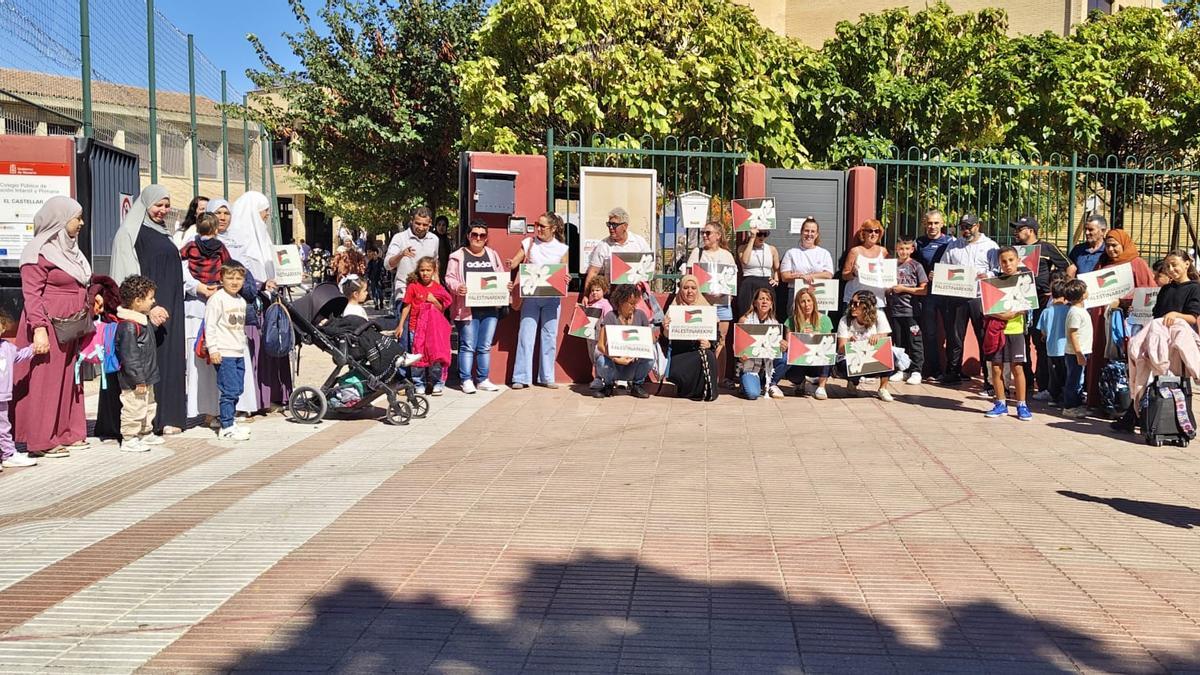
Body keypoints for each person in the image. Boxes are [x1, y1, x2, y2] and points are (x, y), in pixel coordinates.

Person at [13, 196, 93, 458]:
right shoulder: (38, 252)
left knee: (70, 378)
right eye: (76, 218)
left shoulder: (71, 251)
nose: (81, 223)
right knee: (46, 381)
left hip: (72, 326)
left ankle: (68, 432)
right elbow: (32, 294)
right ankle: (41, 440)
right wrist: (38, 328)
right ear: (60, 219)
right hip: (48, 324)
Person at [110, 184, 184, 434]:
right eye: (158, 205)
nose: (162, 210)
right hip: (147, 311)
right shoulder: (130, 233)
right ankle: (143, 425)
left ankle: (167, 417)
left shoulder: (162, 232)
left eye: (166, 205)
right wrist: (145, 308)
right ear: (145, 204)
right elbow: (128, 277)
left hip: (170, 307)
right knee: (146, 363)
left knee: (168, 357)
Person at [1112, 249, 1200, 433]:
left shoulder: (1194, 288)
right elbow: (1156, 316)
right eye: (1168, 266)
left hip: (1178, 343)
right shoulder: (1166, 289)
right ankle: (1139, 416)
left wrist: (1176, 315)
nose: (1171, 269)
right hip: (1159, 340)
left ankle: (1183, 422)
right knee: (1149, 378)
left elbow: (1193, 317)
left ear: (1187, 263)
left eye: (1174, 264)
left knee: (1178, 383)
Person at [225, 191, 292, 413]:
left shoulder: (262, 239)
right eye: (264, 214)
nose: (266, 218)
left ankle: (274, 395)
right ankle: (257, 400)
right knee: (256, 352)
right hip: (252, 306)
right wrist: (262, 284)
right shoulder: (237, 242)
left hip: (270, 305)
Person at [1083, 229, 1155, 409]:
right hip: (1102, 319)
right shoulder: (1102, 263)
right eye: (1107, 246)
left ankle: (1131, 404)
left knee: (1130, 359)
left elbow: (1149, 292)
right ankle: (1102, 400)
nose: (1111, 250)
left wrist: (1123, 302)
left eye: (1114, 245)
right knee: (1100, 355)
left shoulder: (1137, 263)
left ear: (1124, 244)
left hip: (1130, 322)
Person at [1010, 216, 1073, 400]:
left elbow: (1070, 267)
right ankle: (1026, 382)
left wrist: (1062, 292)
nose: (1016, 232)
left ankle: (1044, 385)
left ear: (1030, 230)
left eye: (1020, 229)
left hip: (1042, 302)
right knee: (1021, 341)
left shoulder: (1047, 248)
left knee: (1041, 343)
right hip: (1019, 301)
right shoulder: (1015, 250)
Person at [446, 221, 510, 393]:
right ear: (468, 236)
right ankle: (466, 379)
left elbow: (500, 275)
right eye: (475, 234)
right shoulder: (457, 256)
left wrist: (506, 286)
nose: (478, 238)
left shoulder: (492, 254)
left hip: (490, 308)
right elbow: (449, 278)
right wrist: (458, 287)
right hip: (467, 309)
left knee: (484, 346)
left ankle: (483, 379)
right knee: (467, 345)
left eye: (482, 235)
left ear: (486, 238)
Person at [509, 212, 569, 389]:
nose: (539, 229)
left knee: (549, 337)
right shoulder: (528, 243)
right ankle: (521, 377)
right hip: (530, 297)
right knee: (525, 336)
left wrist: (566, 279)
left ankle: (547, 376)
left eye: (542, 226)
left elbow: (564, 271)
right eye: (537, 224)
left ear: (553, 228)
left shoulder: (562, 249)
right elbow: (514, 262)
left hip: (552, 298)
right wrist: (509, 264)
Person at [940, 213, 998, 388]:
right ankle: (953, 372)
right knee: (955, 337)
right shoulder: (953, 245)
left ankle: (988, 378)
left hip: (980, 298)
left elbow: (998, 270)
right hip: (957, 296)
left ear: (977, 226)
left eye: (969, 227)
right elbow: (944, 266)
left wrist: (987, 275)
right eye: (963, 227)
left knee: (983, 337)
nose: (966, 230)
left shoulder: (990, 246)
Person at [114, 274, 165, 452]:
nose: (153, 301)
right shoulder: (129, 325)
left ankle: (145, 432)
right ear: (137, 301)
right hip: (135, 379)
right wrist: (138, 379)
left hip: (147, 375)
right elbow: (130, 357)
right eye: (150, 298)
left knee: (148, 405)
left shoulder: (142, 321)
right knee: (133, 407)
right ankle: (129, 438)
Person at [982, 247, 1033, 421]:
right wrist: (1003, 315)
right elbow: (987, 309)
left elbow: (1026, 306)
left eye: (1011, 260)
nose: (1008, 264)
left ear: (1018, 260)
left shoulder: (1025, 280)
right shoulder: (993, 282)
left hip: (1016, 331)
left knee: (1017, 368)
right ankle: (1000, 403)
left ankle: (1022, 405)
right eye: (1004, 261)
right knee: (996, 368)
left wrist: (1014, 314)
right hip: (997, 331)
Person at [683, 221, 737, 374]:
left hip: (722, 305)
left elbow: (732, 282)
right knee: (700, 340)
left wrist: (725, 294)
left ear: (718, 236)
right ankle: (702, 375)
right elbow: (688, 278)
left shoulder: (727, 255)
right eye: (703, 233)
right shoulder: (697, 253)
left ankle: (718, 377)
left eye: (708, 233)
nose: (704, 236)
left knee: (721, 341)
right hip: (701, 305)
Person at [205, 262, 251, 441]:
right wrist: (213, 349)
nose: (234, 282)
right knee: (229, 390)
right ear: (221, 278)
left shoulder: (241, 300)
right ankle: (226, 426)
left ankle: (229, 419)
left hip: (238, 350)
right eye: (230, 278)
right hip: (224, 352)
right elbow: (210, 326)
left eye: (239, 278)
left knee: (237, 389)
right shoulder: (217, 299)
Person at [397, 257, 452, 396]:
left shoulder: (438, 288)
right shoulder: (413, 286)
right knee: (417, 356)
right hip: (415, 328)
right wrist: (401, 325)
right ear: (418, 271)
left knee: (434, 356)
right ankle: (418, 383)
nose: (425, 273)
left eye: (428, 270)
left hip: (432, 330)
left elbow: (441, 309)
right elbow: (407, 306)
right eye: (422, 270)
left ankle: (436, 383)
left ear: (434, 271)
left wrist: (433, 300)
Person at [661, 274, 719, 401]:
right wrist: (666, 330)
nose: (690, 291)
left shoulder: (706, 309)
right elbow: (665, 342)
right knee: (705, 356)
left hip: (700, 352)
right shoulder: (674, 310)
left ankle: (704, 392)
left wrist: (709, 343)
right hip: (680, 356)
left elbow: (716, 337)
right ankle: (696, 392)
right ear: (680, 290)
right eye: (686, 288)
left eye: (693, 288)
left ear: (698, 290)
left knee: (707, 354)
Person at [593, 283, 654, 399]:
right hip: (614, 364)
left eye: (635, 303)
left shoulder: (641, 315)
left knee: (650, 359)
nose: (634, 307)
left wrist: (640, 351)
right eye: (631, 303)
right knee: (601, 361)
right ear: (621, 302)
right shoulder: (610, 317)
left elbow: (650, 341)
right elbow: (600, 345)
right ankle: (608, 385)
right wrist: (615, 358)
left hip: (633, 363)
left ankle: (637, 385)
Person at [914, 210, 954, 381]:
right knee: (929, 333)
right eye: (929, 223)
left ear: (942, 223)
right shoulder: (919, 243)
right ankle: (934, 370)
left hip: (947, 293)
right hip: (928, 295)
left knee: (952, 332)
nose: (932, 226)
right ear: (925, 224)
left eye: (936, 223)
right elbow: (913, 265)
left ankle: (954, 370)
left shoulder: (951, 242)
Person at [837, 290, 894, 402]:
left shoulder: (879, 316)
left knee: (890, 355)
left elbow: (884, 339)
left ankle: (883, 388)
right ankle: (853, 382)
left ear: (865, 306)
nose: (852, 306)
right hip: (854, 357)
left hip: (871, 355)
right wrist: (849, 343)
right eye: (851, 303)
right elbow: (841, 348)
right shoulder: (845, 320)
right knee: (843, 365)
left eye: (856, 303)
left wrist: (878, 337)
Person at [886, 236, 928, 385]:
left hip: (912, 311)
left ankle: (916, 371)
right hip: (895, 311)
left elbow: (924, 290)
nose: (903, 251)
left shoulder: (917, 266)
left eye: (906, 249)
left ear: (912, 250)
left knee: (914, 341)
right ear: (896, 249)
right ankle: (901, 369)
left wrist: (904, 289)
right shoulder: (890, 266)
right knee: (898, 342)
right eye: (900, 248)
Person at [385, 207, 440, 317]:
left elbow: (435, 265)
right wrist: (401, 254)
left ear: (430, 223)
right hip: (405, 292)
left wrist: (437, 291)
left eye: (425, 225)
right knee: (406, 331)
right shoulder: (399, 238)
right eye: (418, 223)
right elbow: (387, 265)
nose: (421, 227)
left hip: (427, 294)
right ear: (411, 221)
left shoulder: (434, 239)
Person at [89, 274, 124, 443]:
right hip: (110, 337)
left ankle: (110, 428)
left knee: (110, 381)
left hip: (110, 337)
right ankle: (112, 428)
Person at [583, 207, 651, 293]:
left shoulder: (639, 242)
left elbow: (648, 265)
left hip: (636, 293)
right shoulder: (603, 245)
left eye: (614, 225)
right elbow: (593, 272)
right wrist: (586, 294)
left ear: (625, 226)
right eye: (609, 224)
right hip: (612, 294)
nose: (611, 228)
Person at [737, 287, 787, 400]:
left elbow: (775, 350)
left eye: (767, 299)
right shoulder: (744, 320)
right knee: (753, 395)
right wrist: (741, 356)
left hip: (766, 367)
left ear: (771, 304)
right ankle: (747, 382)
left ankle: (770, 384)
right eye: (761, 299)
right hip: (749, 366)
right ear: (755, 302)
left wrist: (782, 347)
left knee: (785, 357)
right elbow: (737, 347)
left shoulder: (775, 323)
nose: (764, 301)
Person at [783, 287, 834, 399]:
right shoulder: (791, 321)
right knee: (788, 363)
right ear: (798, 304)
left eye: (809, 301)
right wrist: (801, 336)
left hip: (817, 361)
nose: (807, 305)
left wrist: (816, 336)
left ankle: (821, 386)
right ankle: (799, 382)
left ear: (814, 302)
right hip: (799, 361)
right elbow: (789, 346)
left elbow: (829, 345)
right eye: (803, 301)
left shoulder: (825, 320)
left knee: (828, 355)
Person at [0, 311, 34, 470]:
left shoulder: (7, 347)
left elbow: (21, 355)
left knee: (4, 428)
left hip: (3, 398)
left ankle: (8, 454)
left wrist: (34, 348)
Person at [1035, 274, 1070, 408]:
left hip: (1052, 349)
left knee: (1054, 375)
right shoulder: (1069, 310)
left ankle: (1054, 398)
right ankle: (1065, 396)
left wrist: (1045, 335)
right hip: (1066, 348)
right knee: (1066, 373)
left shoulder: (1046, 311)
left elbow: (1042, 330)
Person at [779, 217, 835, 299]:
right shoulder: (791, 253)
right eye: (806, 231)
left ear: (817, 234)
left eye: (812, 231)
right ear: (801, 232)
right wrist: (799, 277)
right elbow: (784, 276)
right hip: (796, 293)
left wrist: (809, 276)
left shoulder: (824, 253)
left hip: (819, 294)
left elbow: (828, 274)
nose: (809, 234)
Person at [1060, 279, 1092, 419]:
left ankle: (1077, 405)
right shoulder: (1075, 312)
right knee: (1074, 379)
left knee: (1079, 379)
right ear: (1081, 295)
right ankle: (1069, 406)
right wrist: (1078, 353)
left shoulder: (1080, 310)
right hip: (1075, 352)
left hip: (1082, 350)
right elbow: (1072, 333)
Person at [840, 219, 889, 304]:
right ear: (863, 233)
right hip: (856, 299)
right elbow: (844, 275)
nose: (873, 234)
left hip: (877, 300)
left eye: (877, 231)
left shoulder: (884, 251)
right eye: (870, 231)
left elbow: (888, 273)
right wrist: (853, 273)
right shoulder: (855, 251)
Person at [737, 225, 779, 318]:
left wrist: (776, 279)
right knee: (746, 313)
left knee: (767, 313)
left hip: (766, 281)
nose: (762, 237)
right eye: (759, 234)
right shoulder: (742, 248)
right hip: (749, 282)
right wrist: (752, 239)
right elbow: (745, 261)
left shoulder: (772, 249)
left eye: (765, 234)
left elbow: (777, 268)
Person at [179, 213, 231, 286]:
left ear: (197, 230)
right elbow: (228, 261)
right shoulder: (220, 246)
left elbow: (179, 256)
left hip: (196, 281)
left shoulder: (192, 245)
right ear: (216, 230)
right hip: (214, 282)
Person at [581, 275, 613, 390]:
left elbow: (608, 320)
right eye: (592, 290)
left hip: (600, 337)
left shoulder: (606, 304)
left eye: (598, 290)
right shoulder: (590, 303)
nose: (594, 293)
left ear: (604, 290)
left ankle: (600, 378)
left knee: (598, 356)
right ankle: (597, 378)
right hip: (589, 336)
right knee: (592, 357)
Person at [434, 215, 452, 283]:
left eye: (444, 225)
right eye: (439, 225)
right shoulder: (432, 238)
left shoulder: (447, 240)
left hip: (446, 269)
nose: (441, 227)